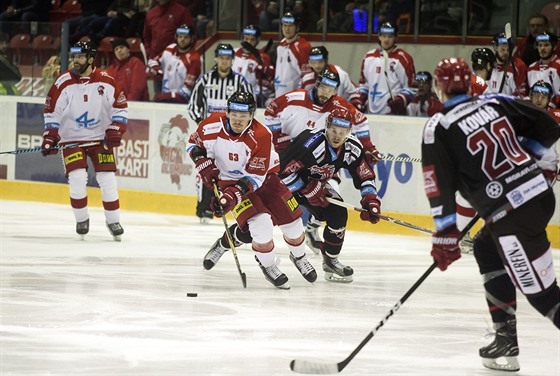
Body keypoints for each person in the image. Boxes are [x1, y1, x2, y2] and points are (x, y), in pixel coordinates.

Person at [421, 57, 560, 372]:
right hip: (538, 195)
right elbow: (549, 124)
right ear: (469, 83)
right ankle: (505, 338)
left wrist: (445, 236)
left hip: (513, 215)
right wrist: (525, 160)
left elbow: (437, 185)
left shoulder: (439, 125)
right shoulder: (494, 102)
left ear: (439, 88)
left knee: (543, 295)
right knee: (485, 246)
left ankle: (508, 337)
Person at [187, 91, 316, 289]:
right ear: (228, 112)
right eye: (235, 113)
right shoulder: (210, 125)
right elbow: (193, 144)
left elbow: (255, 177)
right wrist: (201, 161)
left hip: (265, 179)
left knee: (294, 224)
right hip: (227, 182)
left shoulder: (262, 134)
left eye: (244, 114)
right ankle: (269, 265)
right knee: (261, 226)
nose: (238, 119)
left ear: (252, 114)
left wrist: (233, 196)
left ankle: (299, 257)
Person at [264, 69, 381, 253]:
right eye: (324, 87)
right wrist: (279, 137)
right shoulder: (296, 97)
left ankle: (312, 229)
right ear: (317, 85)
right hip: (293, 158)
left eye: (331, 89)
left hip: (319, 160)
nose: (326, 92)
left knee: (332, 197)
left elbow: (361, 122)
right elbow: (270, 110)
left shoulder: (340, 107)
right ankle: (248, 230)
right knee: (275, 206)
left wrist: (369, 147)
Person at [277, 108, 382, 282]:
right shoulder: (309, 143)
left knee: (338, 214)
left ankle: (331, 260)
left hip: (318, 187)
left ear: (349, 131)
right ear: (326, 126)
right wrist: (307, 188)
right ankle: (226, 243)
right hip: (289, 187)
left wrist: (371, 200)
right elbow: (281, 173)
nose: (337, 136)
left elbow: (365, 176)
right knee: (261, 224)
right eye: (333, 130)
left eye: (342, 132)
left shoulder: (352, 148)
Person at [42, 41, 128, 241]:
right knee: (78, 177)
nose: (75, 61)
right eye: (73, 57)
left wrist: (116, 127)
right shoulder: (63, 82)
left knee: (107, 179)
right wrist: (50, 135)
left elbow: (120, 107)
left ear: (90, 58)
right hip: (71, 140)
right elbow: (51, 111)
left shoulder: (106, 80)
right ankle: (82, 219)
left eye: (80, 57)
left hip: (99, 139)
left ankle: (113, 220)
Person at [188, 43, 253, 223]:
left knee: (230, 167)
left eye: (228, 57)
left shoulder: (241, 82)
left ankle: (228, 204)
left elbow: (250, 108)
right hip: (210, 135)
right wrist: (204, 127)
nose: (224, 61)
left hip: (234, 135)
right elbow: (193, 107)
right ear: (216, 58)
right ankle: (204, 209)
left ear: (232, 60)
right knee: (207, 169)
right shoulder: (205, 80)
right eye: (221, 57)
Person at [353, 22, 416, 115]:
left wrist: (401, 100)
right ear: (379, 36)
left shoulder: (403, 59)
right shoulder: (368, 57)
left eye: (390, 36)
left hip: (393, 115)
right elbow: (364, 85)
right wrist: (359, 98)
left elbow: (413, 88)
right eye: (384, 36)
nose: (386, 40)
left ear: (396, 38)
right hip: (370, 113)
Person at [147, 24, 201, 103]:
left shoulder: (194, 58)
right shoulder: (170, 48)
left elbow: (187, 91)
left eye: (186, 37)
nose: (182, 39)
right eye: (180, 36)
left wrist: (169, 96)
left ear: (192, 39)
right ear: (176, 37)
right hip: (165, 99)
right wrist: (156, 70)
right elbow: (152, 62)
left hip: (182, 103)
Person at [232, 24, 274, 107]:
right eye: (246, 39)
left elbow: (266, 84)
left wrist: (256, 96)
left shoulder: (263, 58)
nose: (249, 42)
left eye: (252, 40)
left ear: (258, 40)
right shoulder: (233, 53)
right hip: (230, 96)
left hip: (250, 100)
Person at [274, 11, 311, 97]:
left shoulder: (303, 47)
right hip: (279, 97)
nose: (287, 29)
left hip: (295, 99)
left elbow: (308, 77)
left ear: (297, 28)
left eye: (290, 26)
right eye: (285, 25)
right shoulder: (281, 45)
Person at [487, 32, 528, 97]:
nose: (506, 53)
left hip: (509, 105)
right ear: (495, 48)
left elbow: (521, 93)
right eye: (503, 49)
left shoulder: (519, 65)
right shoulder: (487, 64)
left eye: (508, 50)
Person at [527, 31, 560, 98]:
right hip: (535, 107)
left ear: (554, 47)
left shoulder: (558, 66)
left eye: (546, 45)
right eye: (540, 45)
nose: (542, 48)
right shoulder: (531, 68)